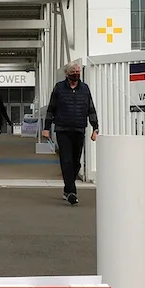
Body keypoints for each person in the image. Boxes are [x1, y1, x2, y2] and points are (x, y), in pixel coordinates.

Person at [40, 62, 99, 205]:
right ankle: (72, 192)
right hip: (62, 129)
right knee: (66, 160)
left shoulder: (84, 89)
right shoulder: (59, 88)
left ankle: (67, 189)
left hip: (79, 129)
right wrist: (46, 128)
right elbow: (51, 108)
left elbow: (91, 108)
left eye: (78, 71)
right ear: (67, 74)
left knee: (76, 163)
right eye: (73, 71)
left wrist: (95, 127)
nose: (76, 74)